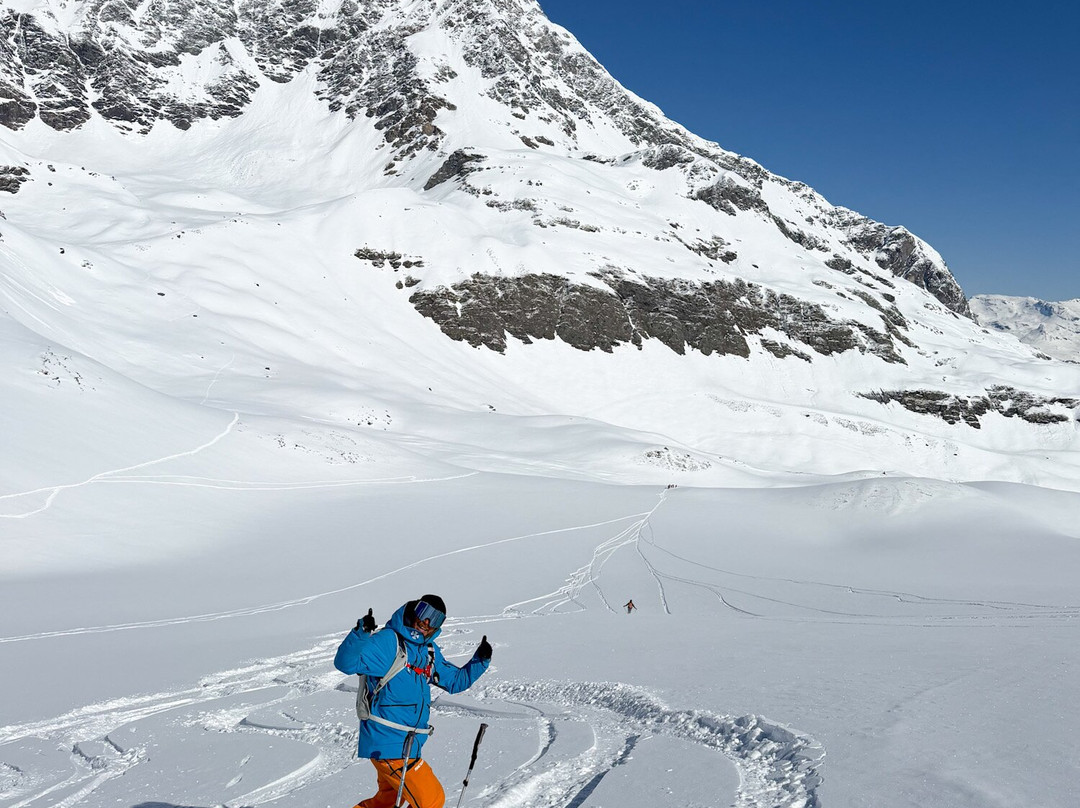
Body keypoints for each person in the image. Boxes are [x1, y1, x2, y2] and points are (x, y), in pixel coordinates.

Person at [334, 595, 491, 808]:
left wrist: (480, 661)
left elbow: (454, 682)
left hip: (407, 744)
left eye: (435, 619)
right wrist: (361, 634)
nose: (427, 622)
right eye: (425, 613)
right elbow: (346, 663)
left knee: (387, 802)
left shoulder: (427, 651)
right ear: (414, 610)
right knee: (431, 800)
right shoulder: (389, 641)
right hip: (389, 743)